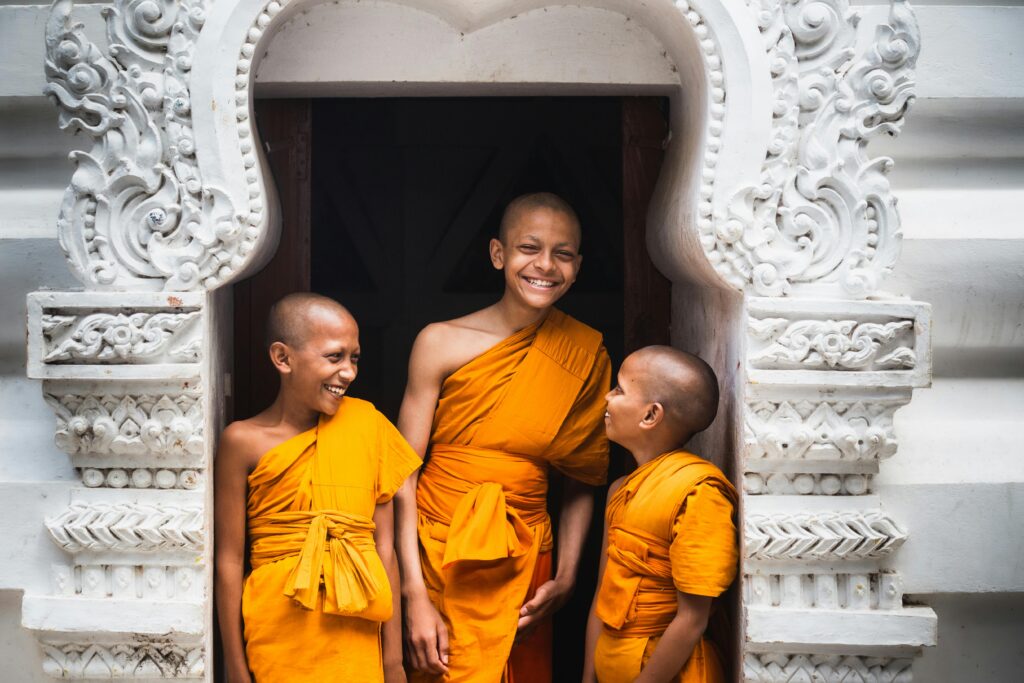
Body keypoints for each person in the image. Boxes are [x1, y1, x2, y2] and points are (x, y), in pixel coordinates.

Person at [394, 193, 612, 682]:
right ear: (498, 254)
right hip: (436, 553)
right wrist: (411, 592)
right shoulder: (439, 341)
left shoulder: (585, 351)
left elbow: (582, 478)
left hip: (528, 561)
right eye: (529, 248)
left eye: (563, 253)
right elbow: (400, 476)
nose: (545, 265)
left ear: (577, 266)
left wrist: (568, 578)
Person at [214, 293, 421, 683]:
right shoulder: (242, 441)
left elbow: (383, 552)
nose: (348, 372)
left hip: (356, 634)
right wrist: (234, 668)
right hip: (279, 633)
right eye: (334, 357)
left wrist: (393, 662)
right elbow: (228, 562)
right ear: (283, 358)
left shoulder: (367, 426)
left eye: (354, 358)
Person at [583, 346, 738, 683]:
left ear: (651, 415)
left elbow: (693, 619)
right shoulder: (620, 489)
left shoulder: (697, 493)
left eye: (620, 389)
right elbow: (602, 595)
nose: (607, 398)